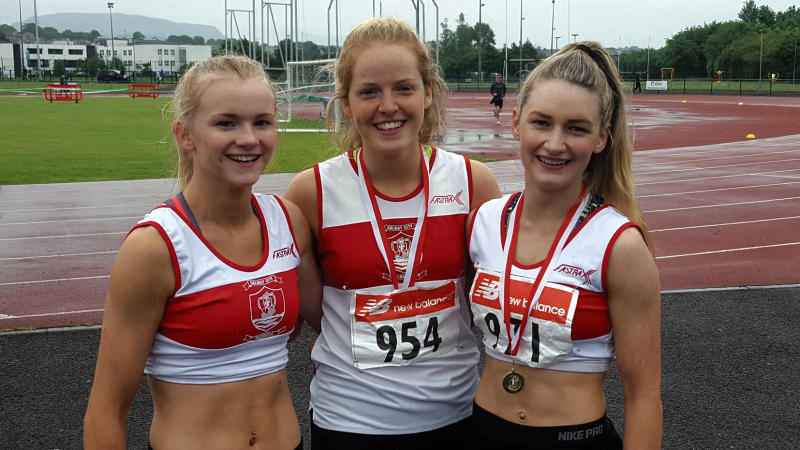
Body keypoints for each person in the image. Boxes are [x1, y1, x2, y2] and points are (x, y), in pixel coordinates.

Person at [84, 54, 322, 449]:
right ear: (185, 134)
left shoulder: (288, 221)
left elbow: (334, 320)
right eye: (226, 122)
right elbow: (106, 411)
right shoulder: (155, 247)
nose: (249, 138)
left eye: (262, 122)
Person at [284, 17, 500, 449]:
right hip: (349, 419)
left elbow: (484, 296)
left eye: (404, 88)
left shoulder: (474, 183)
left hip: (454, 413)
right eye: (369, 92)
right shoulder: (311, 193)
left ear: (428, 93)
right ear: (345, 102)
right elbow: (313, 312)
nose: (388, 106)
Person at [466, 41, 662, 449]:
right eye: (542, 123)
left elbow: (643, 397)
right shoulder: (484, 221)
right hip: (483, 430)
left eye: (575, 128)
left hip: (575, 438)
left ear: (601, 138)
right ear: (517, 124)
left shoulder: (619, 244)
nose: (555, 144)